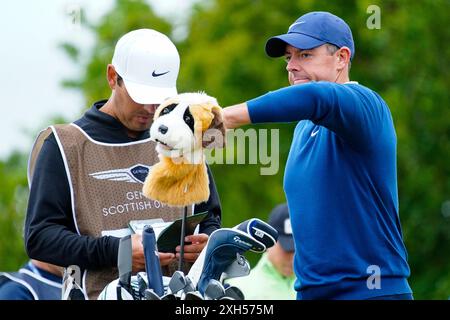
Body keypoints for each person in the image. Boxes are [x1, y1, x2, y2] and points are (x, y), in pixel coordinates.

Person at [223, 11, 413, 300]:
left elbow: (317, 98)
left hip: (371, 292)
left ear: (341, 58)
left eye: (305, 55)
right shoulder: (304, 128)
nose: (292, 66)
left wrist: (221, 117)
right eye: (289, 57)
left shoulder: (367, 107)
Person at [24, 29, 221, 300]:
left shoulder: (182, 139)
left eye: (159, 98)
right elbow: (40, 238)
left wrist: (207, 242)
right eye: (142, 96)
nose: (151, 109)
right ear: (112, 77)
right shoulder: (64, 144)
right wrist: (120, 252)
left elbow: (209, 216)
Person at [227, 203, 296, 300]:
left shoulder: (315, 285)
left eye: (297, 250)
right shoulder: (237, 289)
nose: (292, 257)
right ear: (269, 241)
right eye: (287, 249)